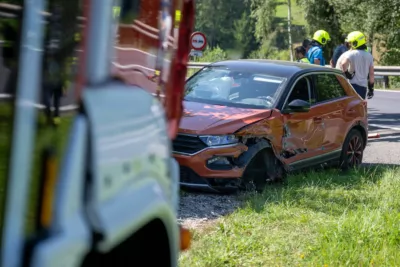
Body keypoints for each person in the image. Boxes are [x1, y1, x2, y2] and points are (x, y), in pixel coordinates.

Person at [336, 31, 374, 99]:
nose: (350, 44)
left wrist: (347, 74)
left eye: (351, 42)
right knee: (360, 106)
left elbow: (343, 64)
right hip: (363, 87)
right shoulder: (369, 56)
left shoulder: (351, 53)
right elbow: (371, 74)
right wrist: (371, 89)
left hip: (351, 85)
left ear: (355, 42)